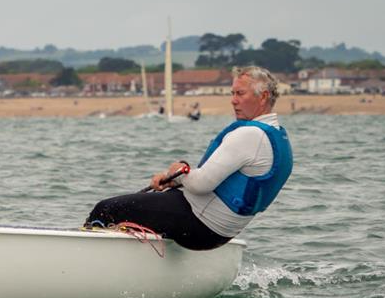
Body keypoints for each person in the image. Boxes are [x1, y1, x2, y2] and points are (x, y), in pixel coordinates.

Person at [85, 65, 293, 250]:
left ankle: (83, 260)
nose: (233, 100)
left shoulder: (250, 135)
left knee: (107, 209)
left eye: (240, 93)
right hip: (219, 232)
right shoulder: (277, 136)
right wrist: (174, 178)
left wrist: (180, 170)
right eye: (232, 93)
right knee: (141, 211)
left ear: (263, 96)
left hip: (199, 224)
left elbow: (202, 184)